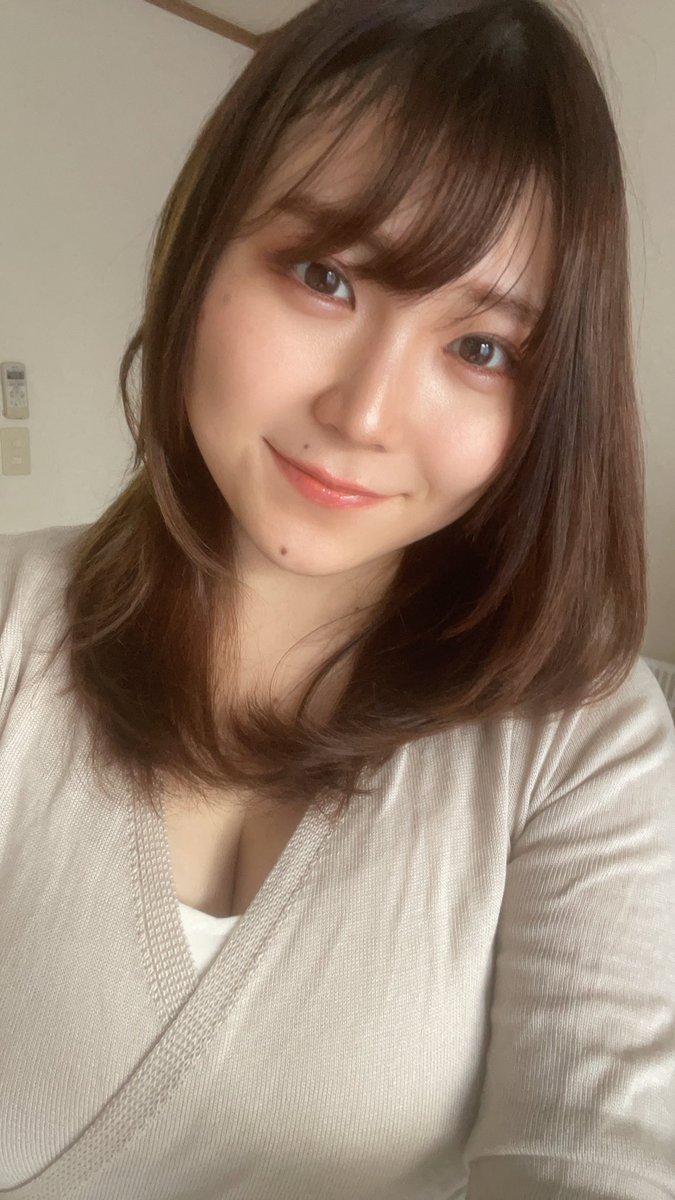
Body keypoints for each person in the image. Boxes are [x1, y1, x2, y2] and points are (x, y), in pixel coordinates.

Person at [1, 0, 674, 1196]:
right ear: (201, 245)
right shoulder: (13, 622)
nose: (365, 414)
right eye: (326, 277)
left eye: (481, 349)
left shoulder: (582, 737)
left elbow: (599, 1154)